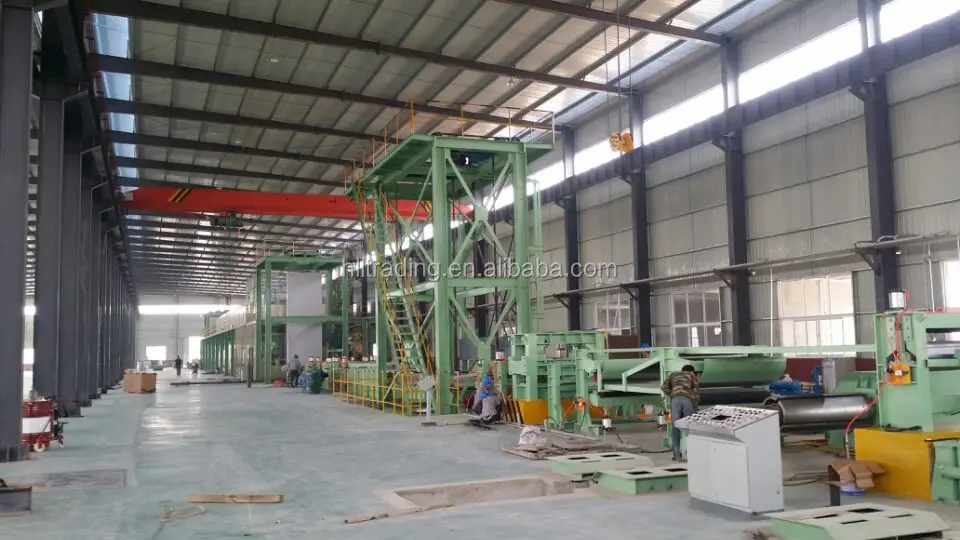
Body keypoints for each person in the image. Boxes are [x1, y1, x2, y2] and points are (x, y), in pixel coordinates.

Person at [661, 364, 700, 461]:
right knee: (690, 427)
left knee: (675, 427)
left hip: (675, 400)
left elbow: (663, 387)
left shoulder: (673, 374)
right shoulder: (692, 376)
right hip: (687, 399)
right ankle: (691, 453)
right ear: (692, 371)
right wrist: (695, 407)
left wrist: (672, 394)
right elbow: (695, 392)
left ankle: (676, 454)